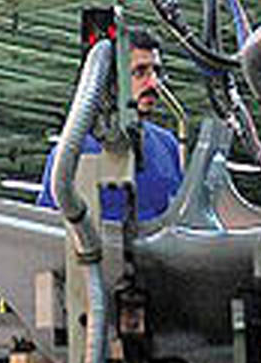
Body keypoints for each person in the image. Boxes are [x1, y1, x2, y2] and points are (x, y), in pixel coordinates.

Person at [36, 27, 184, 223]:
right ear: (111, 80)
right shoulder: (71, 153)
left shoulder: (167, 145)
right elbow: (47, 228)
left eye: (156, 72)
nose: (153, 84)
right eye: (140, 72)